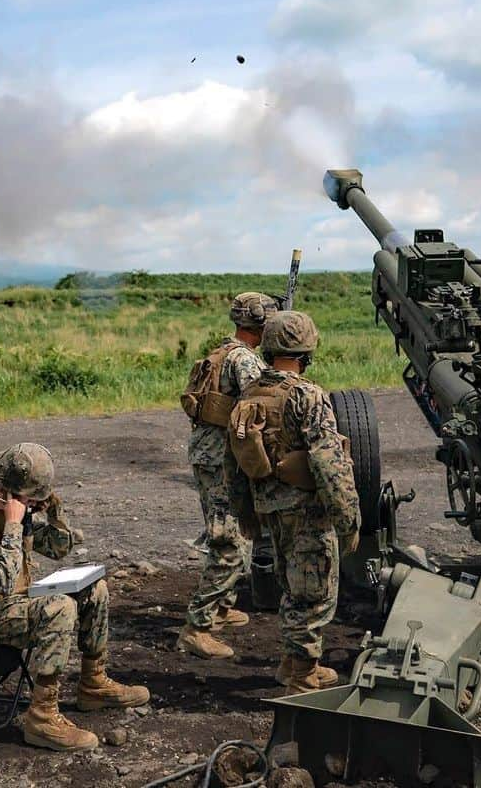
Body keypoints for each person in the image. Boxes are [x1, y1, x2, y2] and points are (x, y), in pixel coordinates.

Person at [0, 443, 149, 751]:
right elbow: (2, 579)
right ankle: (42, 717)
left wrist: (54, 512)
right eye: (30, 498)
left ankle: (94, 683)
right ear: (10, 492)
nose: (32, 504)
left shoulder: (17, 512)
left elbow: (58, 548)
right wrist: (12, 524)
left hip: (13, 607)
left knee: (94, 588)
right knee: (59, 607)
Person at [225, 309, 360, 693]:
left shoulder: (250, 394)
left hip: (270, 509)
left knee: (291, 585)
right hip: (308, 512)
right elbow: (331, 465)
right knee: (314, 593)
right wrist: (349, 520)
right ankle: (301, 676)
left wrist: (245, 514)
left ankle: (291, 662)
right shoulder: (308, 396)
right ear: (307, 350)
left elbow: (231, 461)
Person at [176, 291, 278, 658]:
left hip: (210, 456)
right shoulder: (244, 360)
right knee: (230, 543)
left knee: (229, 532)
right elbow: (263, 403)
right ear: (261, 325)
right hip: (222, 460)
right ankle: (198, 625)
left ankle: (222, 607)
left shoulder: (222, 352)